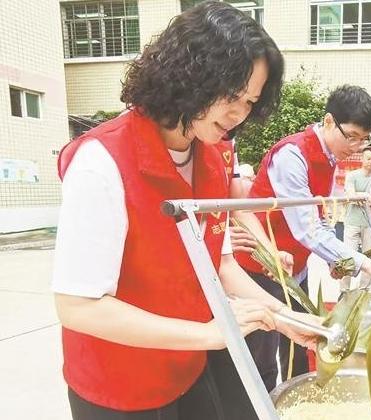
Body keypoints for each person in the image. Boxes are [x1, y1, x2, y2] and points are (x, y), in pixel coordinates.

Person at [51, 3, 317, 420]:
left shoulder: (211, 157)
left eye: (250, 102)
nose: (239, 114)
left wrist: (284, 317)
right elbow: (78, 306)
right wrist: (211, 333)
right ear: (190, 76)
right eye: (231, 96)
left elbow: (221, 264)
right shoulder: (101, 162)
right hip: (118, 385)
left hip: (187, 366)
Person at [233, 85, 371, 385]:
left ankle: (298, 397)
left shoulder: (330, 159)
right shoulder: (291, 155)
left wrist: (335, 261)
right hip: (262, 266)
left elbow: (320, 218)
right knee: (262, 356)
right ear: (328, 121)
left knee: (301, 343)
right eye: (351, 136)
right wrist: (366, 263)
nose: (356, 147)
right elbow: (307, 228)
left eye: (363, 140)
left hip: (294, 268)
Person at [341, 146, 371, 292]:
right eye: (368, 158)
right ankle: (344, 290)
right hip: (352, 222)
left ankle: (364, 291)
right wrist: (365, 197)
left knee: (369, 258)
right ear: (362, 159)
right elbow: (351, 196)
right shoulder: (352, 176)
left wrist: (361, 196)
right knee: (347, 257)